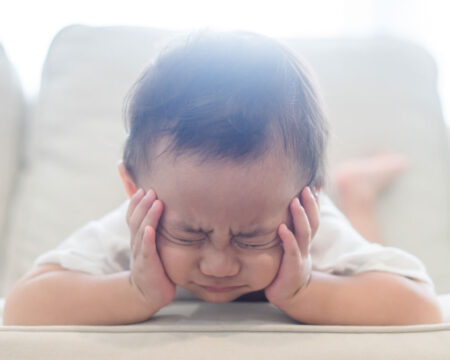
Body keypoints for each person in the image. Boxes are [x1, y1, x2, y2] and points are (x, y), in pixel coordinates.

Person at [3, 29, 442, 326]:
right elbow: (21, 308)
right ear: (134, 191)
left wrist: (306, 290)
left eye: (253, 238)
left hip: (326, 237)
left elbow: (423, 310)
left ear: (308, 201)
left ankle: (357, 192)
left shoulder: (305, 223)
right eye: (189, 235)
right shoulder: (141, 223)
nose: (219, 265)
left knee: (362, 256)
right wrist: (134, 290)